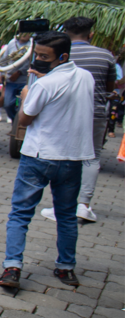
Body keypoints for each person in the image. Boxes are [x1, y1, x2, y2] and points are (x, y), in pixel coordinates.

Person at [0, 31, 93, 289]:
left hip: (39, 156)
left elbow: (26, 118)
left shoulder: (44, 84)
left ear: (62, 56)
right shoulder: (86, 78)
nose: (38, 60)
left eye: (43, 56)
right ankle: (66, 267)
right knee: (67, 215)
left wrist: (29, 89)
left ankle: (12, 267)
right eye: (36, 54)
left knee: (20, 214)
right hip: (72, 157)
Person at [40, 17, 116, 223]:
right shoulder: (106, 55)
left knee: (65, 157)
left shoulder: (62, 55)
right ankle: (83, 206)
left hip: (63, 113)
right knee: (92, 157)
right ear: (90, 34)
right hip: (96, 112)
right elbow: (109, 88)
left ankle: (61, 206)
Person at [1, 32, 32, 120]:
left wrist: (19, 72)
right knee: (7, 104)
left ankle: (17, 126)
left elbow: (29, 62)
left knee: (22, 105)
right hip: (10, 80)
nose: (25, 34)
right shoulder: (11, 43)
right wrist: (2, 73)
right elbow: (5, 59)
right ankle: (15, 121)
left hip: (24, 80)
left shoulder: (31, 44)